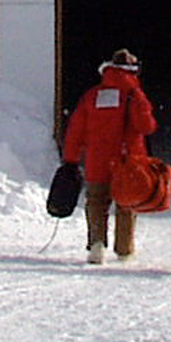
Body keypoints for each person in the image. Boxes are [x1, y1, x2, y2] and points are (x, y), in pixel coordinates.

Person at [61, 48, 156, 264]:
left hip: (97, 159)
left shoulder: (93, 95)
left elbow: (76, 130)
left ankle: (96, 245)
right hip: (127, 161)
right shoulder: (134, 95)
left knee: (96, 203)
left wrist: (71, 159)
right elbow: (146, 126)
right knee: (126, 204)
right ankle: (124, 250)